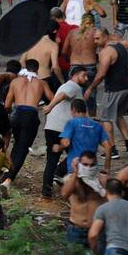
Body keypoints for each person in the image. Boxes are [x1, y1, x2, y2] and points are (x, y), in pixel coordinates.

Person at [85, 25, 128, 167]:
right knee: (119, 115)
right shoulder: (121, 47)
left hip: (114, 89)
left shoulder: (106, 52)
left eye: (97, 38)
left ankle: (112, 149)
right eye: (94, 38)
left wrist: (90, 88)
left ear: (105, 36)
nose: (95, 41)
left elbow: (101, 74)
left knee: (106, 119)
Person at [41, 65, 89, 196]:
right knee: (80, 153)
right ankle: (60, 173)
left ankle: (46, 190)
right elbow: (62, 96)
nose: (86, 78)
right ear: (75, 76)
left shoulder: (71, 87)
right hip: (63, 129)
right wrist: (50, 106)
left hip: (51, 127)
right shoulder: (73, 86)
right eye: (83, 75)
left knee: (52, 158)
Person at [4, 60, 54, 181]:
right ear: (38, 69)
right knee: (23, 147)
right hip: (31, 116)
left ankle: (7, 173)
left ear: (25, 68)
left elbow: (7, 105)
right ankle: (8, 179)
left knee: (17, 144)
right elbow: (53, 99)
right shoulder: (42, 83)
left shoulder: (15, 81)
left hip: (17, 115)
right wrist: (45, 107)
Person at [61, 148, 106, 248]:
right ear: (80, 164)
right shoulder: (72, 179)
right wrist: (76, 172)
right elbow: (65, 194)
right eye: (85, 165)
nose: (88, 168)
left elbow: (113, 201)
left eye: (92, 165)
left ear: (96, 165)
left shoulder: (102, 181)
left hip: (96, 230)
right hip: (76, 229)